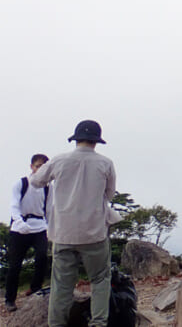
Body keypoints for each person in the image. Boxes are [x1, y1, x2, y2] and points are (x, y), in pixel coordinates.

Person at [30, 120, 117, 327]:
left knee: (61, 285)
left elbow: (35, 182)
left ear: (76, 139)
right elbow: (110, 194)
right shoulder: (105, 163)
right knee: (100, 279)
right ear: (97, 142)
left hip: (63, 232)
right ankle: (98, 323)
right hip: (94, 233)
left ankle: (57, 324)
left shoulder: (59, 160)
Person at [5, 153, 50, 312]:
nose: (40, 169)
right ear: (32, 167)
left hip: (39, 226)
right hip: (20, 228)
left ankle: (35, 288)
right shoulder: (22, 183)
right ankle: (10, 299)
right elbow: (14, 205)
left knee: (42, 256)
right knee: (15, 266)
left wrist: (50, 227)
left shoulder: (47, 188)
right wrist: (19, 222)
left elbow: (49, 209)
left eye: (44, 167)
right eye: (38, 166)